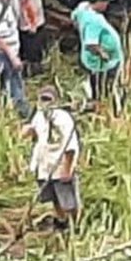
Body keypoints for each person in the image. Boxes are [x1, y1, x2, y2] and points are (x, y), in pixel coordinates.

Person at [22, 86, 81, 232]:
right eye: (43, 99)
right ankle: (60, 221)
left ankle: (74, 225)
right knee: (53, 197)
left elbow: (70, 144)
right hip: (44, 164)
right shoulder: (39, 116)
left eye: (48, 99)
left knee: (68, 199)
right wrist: (29, 131)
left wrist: (67, 168)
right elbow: (37, 135)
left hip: (59, 163)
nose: (45, 103)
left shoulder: (63, 118)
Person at [70, 0, 124, 109]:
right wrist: (104, 54)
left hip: (96, 61)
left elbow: (74, 17)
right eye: (105, 1)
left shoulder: (83, 7)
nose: (107, 4)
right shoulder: (93, 21)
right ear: (98, 1)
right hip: (101, 64)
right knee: (105, 88)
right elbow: (91, 44)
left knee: (101, 86)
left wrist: (78, 27)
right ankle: (106, 109)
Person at [13, 0, 47, 76]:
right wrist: (32, 24)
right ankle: (33, 72)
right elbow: (28, 6)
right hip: (31, 25)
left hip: (21, 24)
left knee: (25, 50)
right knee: (33, 52)